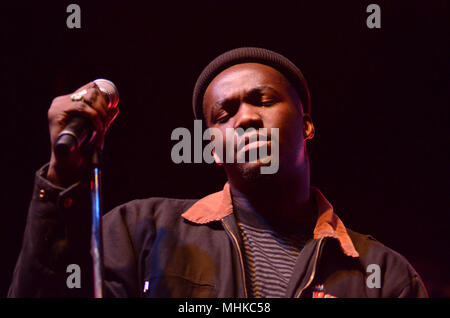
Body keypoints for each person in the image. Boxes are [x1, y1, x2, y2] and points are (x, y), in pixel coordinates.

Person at [8, 47, 428, 298]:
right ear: (211, 147)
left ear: (306, 125)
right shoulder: (140, 232)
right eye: (223, 114)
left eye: (262, 100)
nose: (244, 119)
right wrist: (64, 180)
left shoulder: (386, 275)